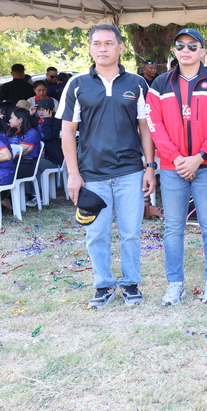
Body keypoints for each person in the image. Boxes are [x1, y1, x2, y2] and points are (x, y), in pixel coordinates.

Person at [57, 24, 157, 308]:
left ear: (120, 48)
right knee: (96, 234)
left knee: (131, 233)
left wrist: (150, 167)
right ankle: (103, 286)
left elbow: (145, 128)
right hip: (92, 175)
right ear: (90, 48)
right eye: (97, 43)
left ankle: (131, 283)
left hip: (130, 172)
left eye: (109, 43)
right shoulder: (77, 84)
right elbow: (67, 132)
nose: (103, 48)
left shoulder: (137, 83)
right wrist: (74, 174)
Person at [146, 27, 207, 306]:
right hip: (172, 168)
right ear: (174, 51)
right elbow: (154, 125)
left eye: (193, 46)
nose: (186, 50)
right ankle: (174, 284)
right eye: (180, 46)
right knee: (173, 228)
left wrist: (200, 156)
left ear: (203, 50)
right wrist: (177, 158)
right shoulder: (160, 84)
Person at [5, 107, 42, 207]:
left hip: (27, 165)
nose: (9, 120)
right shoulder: (12, 132)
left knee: (4, 174)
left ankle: (6, 201)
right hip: (14, 163)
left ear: (20, 119)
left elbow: (14, 153)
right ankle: (6, 201)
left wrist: (15, 153)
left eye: (12, 118)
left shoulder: (32, 133)